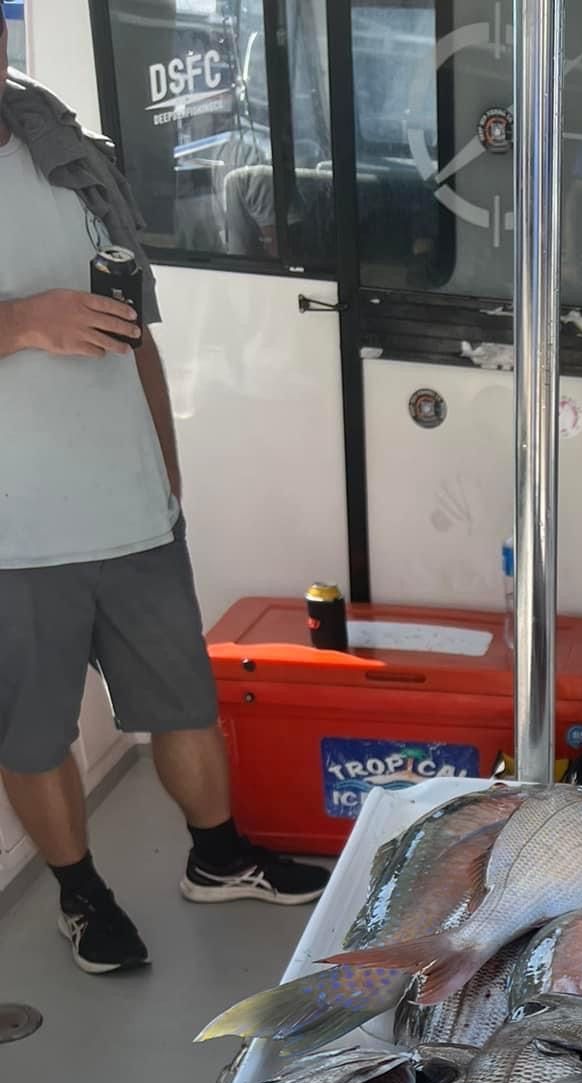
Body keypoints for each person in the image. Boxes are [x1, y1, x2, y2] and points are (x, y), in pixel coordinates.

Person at [0, 31, 328, 976]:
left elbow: (131, 324)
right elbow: (51, 318)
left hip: (128, 500)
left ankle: (217, 857)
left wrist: (166, 463)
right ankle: (82, 894)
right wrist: (23, 321)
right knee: (32, 729)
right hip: (15, 536)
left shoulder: (59, 145)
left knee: (182, 700)